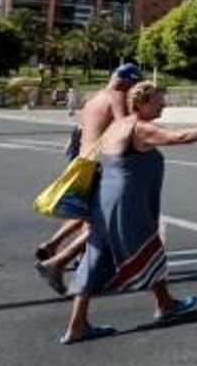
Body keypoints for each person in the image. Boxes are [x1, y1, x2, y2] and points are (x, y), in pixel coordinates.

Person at [60, 81, 197, 344]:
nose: (164, 104)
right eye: (159, 100)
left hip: (105, 202)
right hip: (127, 204)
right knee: (148, 248)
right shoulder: (140, 128)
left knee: (96, 257)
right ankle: (165, 304)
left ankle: (78, 325)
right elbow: (181, 138)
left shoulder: (117, 126)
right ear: (142, 103)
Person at [35, 64, 142, 296]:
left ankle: (54, 248)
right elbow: (126, 129)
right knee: (104, 223)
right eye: (135, 84)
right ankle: (57, 263)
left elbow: (80, 130)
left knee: (90, 216)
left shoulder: (95, 98)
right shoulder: (117, 97)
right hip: (100, 164)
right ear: (126, 81)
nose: (136, 89)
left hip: (83, 162)